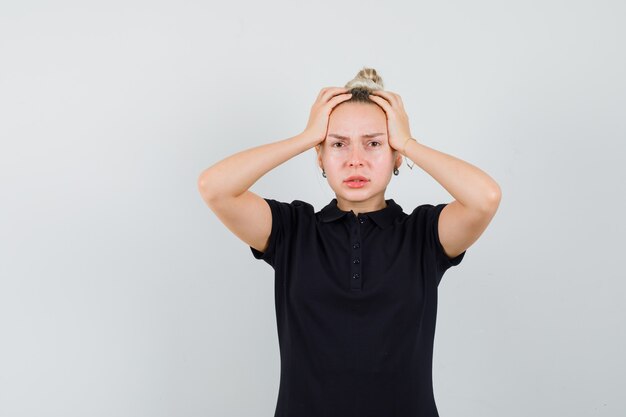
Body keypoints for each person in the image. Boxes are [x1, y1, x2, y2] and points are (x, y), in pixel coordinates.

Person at [197, 67, 501, 417]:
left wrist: (407, 142)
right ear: (320, 157)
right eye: (338, 144)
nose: (355, 159)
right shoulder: (292, 230)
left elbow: (486, 198)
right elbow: (214, 187)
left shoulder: (424, 234)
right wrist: (306, 136)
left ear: (396, 157)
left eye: (374, 143)